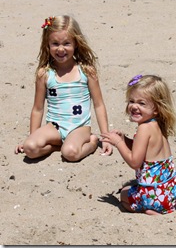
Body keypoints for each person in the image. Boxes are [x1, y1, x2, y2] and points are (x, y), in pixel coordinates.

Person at [15, 15, 112, 161]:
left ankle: (91, 143)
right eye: (55, 43)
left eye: (66, 43)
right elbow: (38, 108)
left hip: (79, 127)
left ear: (76, 44)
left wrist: (105, 137)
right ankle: (58, 146)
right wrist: (32, 136)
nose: (60, 49)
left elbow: (99, 105)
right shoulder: (45, 74)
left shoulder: (86, 71)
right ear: (47, 45)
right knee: (30, 148)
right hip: (54, 126)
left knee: (70, 153)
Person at [101, 74, 176, 215]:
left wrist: (118, 143)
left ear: (156, 108)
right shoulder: (157, 124)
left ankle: (149, 210)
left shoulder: (144, 129)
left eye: (141, 103)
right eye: (131, 101)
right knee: (132, 187)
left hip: (154, 198)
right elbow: (144, 149)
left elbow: (135, 162)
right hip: (169, 191)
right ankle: (159, 206)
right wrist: (124, 139)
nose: (134, 106)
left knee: (124, 195)